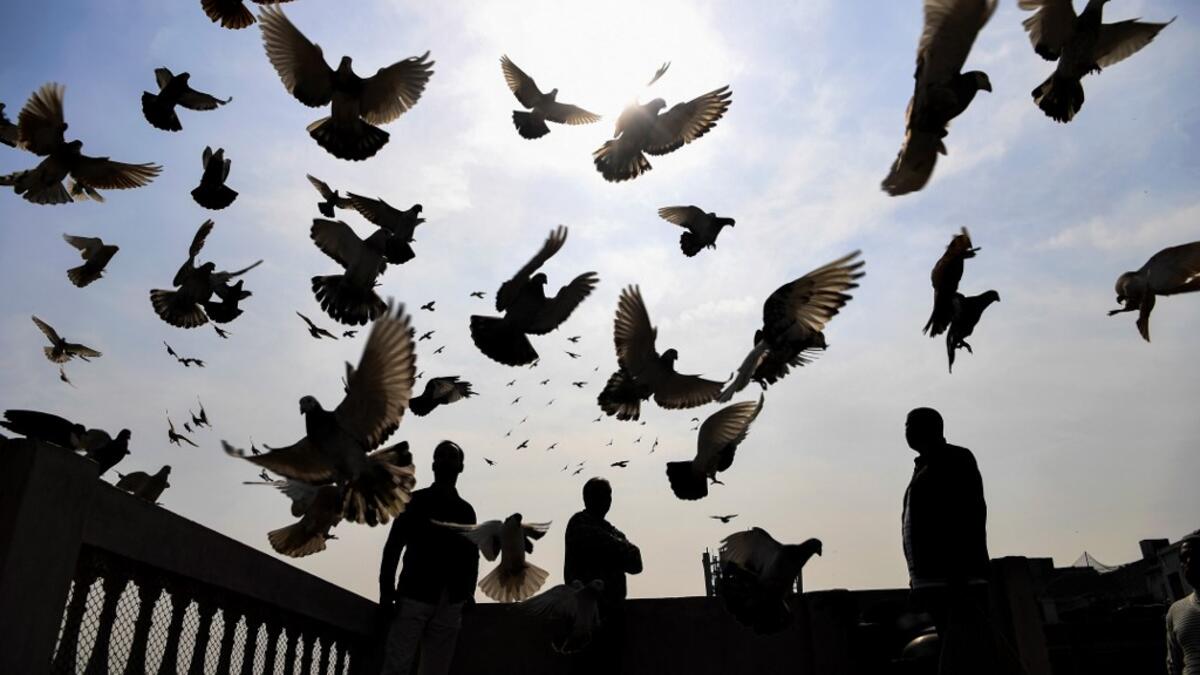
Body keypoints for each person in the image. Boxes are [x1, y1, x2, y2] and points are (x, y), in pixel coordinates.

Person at [901, 407, 997, 674]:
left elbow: (969, 514)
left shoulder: (955, 459)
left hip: (956, 581)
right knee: (952, 649)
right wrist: (916, 579)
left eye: (910, 425)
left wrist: (959, 574)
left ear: (931, 428)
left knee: (965, 654)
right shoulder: (924, 467)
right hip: (934, 581)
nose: (906, 432)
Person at [379, 441, 478, 675]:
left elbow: (470, 557)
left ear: (460, 466)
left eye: (449, 457)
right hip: (415, 595)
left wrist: (468, 593)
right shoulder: (414, 502)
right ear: (434, 465)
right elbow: (393, 547)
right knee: (398, 667)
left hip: (446, 600)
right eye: (441, 456)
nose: (445, 461)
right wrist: (386, 591)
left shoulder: (464, 510)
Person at [563, 477, 642, 674]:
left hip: (612, 616)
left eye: (608, 496)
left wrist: (616, 548)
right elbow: (605, 545)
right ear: (588, 498)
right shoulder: (579, 524)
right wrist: (620, 549)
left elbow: (636, 562)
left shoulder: (609, 530)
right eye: (602, 495)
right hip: (586, 617)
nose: (607, 500)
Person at [1167, 535, 1200, 675]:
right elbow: (1174, 662)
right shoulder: (1175, 611)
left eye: (1195, 554)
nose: (1189, 561)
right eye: (1184, 557)